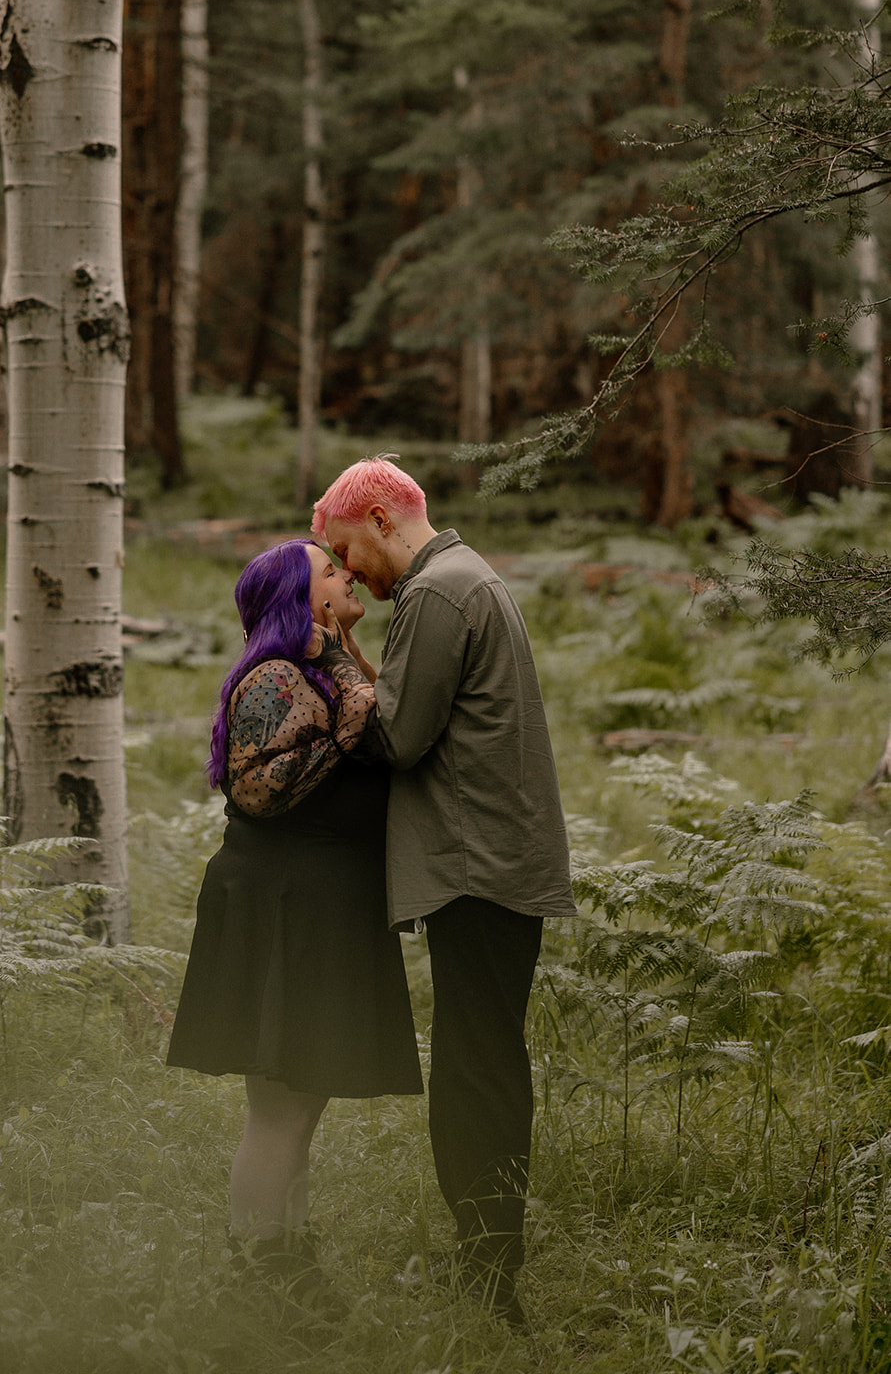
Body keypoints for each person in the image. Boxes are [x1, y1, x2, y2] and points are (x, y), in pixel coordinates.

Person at [310, 457, 575, 1330]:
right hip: (497, 863)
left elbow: (398, 737)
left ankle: (490, 1274)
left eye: (346, 551)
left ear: (382, 518)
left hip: (478, 867)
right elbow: (417, 712)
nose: (347, 573)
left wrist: (325, 677)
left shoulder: (433, 594)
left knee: (475, 1071)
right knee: (486, 1059)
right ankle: (488, 1256)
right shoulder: (469, 579)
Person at [165, 537, 423, 1308]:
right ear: (303, 601)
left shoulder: (315, 670)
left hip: (314, 907)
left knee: (302, 1099)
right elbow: (257, 790)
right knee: (280, 1104)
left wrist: (343, 664)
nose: (347, 575)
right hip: (279, 908)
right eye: (331, 571)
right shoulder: (276, 677)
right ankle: (258, 1264)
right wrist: (345, 696)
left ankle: (289, 1253)